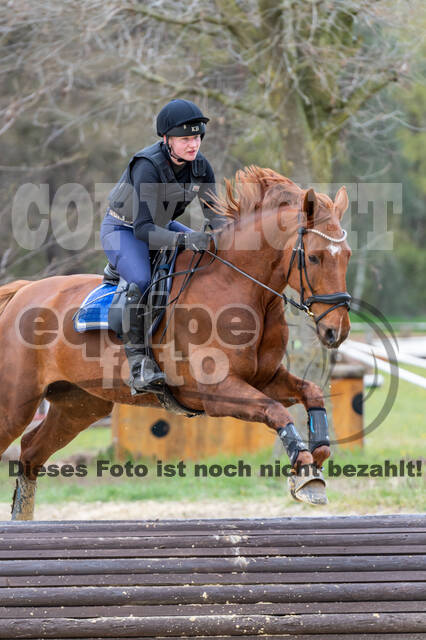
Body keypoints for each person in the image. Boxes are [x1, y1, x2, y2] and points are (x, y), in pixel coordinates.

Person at [101, 99, 228, 395]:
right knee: (142, 281)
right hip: (124, 229)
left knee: (207, 256)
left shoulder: (201, 167)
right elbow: (143, 229)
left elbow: (215, 216)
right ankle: (139, 364)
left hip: (161, 227)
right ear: (166, 140)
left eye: (196, 137)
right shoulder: (147, 166)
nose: (193, 144)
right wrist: (186, 240)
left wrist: (229, 238)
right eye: (185, 139)